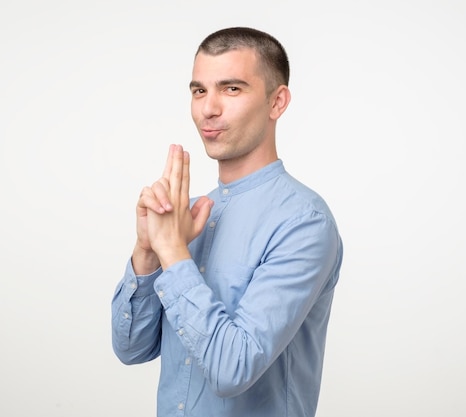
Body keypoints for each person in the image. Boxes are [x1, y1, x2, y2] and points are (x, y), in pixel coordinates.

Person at [111, 26, 343, 417]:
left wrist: (173, 251)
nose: (208, 108)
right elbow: (130, 349)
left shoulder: (304, 223)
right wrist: (148, 253)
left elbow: (231, 370)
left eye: (231, 89)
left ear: (277, 102)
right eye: (199, 90)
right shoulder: (193, 215)